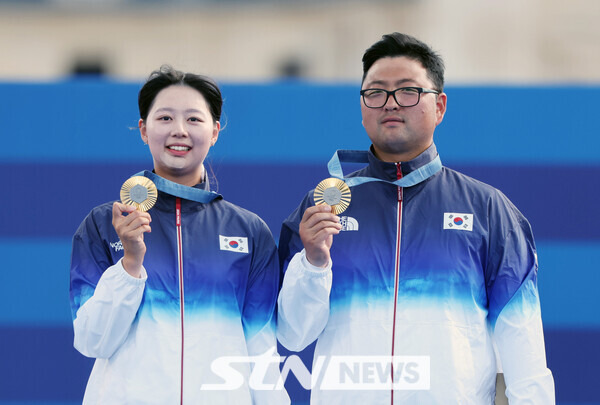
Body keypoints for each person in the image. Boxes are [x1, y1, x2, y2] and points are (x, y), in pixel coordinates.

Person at [277, 33, 555, 404]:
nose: (390, 104)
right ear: (362, 109)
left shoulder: (488, 210)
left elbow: (524, 349)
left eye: (408, 91)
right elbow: (293, 335)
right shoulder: (322, 207)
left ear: (439, 106)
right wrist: (313, 263)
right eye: (375, 93)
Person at [70, 66, 289, 404]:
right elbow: (91, 341)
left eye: (194, 120)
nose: (179, 131)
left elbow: (261, 349)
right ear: (144, 129)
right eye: (165, 118)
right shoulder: (103, 224)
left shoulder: (248, 231)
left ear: (215, 131)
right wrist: (129, 265)